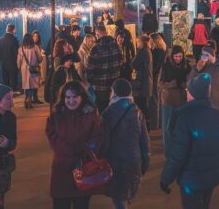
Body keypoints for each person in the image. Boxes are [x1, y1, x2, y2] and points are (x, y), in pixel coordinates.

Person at [159, 73, 219, 209]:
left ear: (193, 94)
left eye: (188, 91)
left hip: (191, 180)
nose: (186, 93)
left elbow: (177, 155)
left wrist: (166, 179)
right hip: (212, 178)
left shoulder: (185, 118)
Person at [46, 81, 102, 209]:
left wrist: (86, 151)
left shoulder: (90, 114)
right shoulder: (57, 114)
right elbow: (51, 133)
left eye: (75, 97)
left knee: (81, 204)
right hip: (61, 170)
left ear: (82, 97)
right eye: (67, 97)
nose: (71, 100)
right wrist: (62, 148)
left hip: (83, 168)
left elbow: (97, 136)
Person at [101, 79, 150, 209]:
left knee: (119, 199)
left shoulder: (108, 113)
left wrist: (101, 159)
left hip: (116, 161)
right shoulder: (137, 111)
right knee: (125, 194)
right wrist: (145, 161)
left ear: (115, 93)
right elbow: (144, 141)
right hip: (134, 160)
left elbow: (104, 142)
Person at [159, 45, 191, 151]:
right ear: (172, 56)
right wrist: (170, 85)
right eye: (176, 56)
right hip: (168, 100)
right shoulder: (165, 66)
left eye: (180, 56)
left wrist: (184, 84)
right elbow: (160, 83)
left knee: (179, 127)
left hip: (181, 100)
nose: (178, 58)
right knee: (167, 128)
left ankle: (179, 149)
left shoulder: (187, 67)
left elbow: (190, 82)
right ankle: (169, 150)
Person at [85, 26, 124, 112]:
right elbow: (121, 62)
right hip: (113, 86)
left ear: (97, 34)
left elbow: (89, 69)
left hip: (99, 87)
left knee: (101, 112)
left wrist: (91, 80)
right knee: (113, 111)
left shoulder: (95, 49)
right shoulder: (116, 47)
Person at [188, 46, 219, 114]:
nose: (204, 57)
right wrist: (196, 70)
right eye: (203, 54)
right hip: (203, 104)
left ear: (212, 56)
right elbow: (190, 81)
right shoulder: (200, 65)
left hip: (218, 102)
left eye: (206, 55)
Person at [17, 33, 44, 109]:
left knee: (26, 85)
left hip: (24, 70)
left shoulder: (21, 49)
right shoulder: (35, 47)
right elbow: (40, 58)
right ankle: (29, 98)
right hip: (34, 69)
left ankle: (27, 98)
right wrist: (39, 60)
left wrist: (19, 67)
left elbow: (19, 61)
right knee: (33, 85)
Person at [130, 36, 153, 121]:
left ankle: (144, 127)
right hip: (146, 82)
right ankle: (147, 126)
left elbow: (133, 64)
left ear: (142, 42)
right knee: (144, 106)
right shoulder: (148, 51)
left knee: (141, 106)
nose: (136, 44)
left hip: (141, 83)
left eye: (138, 42)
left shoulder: (142, 52)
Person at [149, 33, 167, 129]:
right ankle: (159, 122)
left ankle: (155, 123)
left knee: (155, 100)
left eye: (151, 40)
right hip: (158, 77)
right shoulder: (162, 50)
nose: (149, 42)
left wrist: (150, 73)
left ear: (155, 41)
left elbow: (155, 66)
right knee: (158, 100)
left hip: (156, 77)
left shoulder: (157, 51)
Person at [0, 24, 20, 92]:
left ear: (6, 29)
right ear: (14, 30)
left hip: (4, 63)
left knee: (5, 80)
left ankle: (7, 93)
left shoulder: (0, 40)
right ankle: (12, 93)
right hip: (13, 63)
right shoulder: (15, 40)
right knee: (13, 79)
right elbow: (17, 52)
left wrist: (3, 59)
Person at [32, 30, 48, 102]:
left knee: (36, 83)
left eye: (37, 36)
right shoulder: (32, 46)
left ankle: (35, 98)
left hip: (36, 66)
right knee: (33, 83)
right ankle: (33, 98)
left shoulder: (38, 45)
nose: (36, 38)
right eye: (34, 36)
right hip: (33, 66)